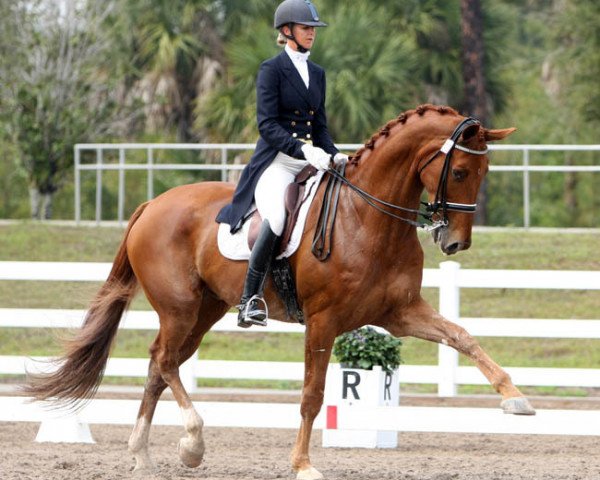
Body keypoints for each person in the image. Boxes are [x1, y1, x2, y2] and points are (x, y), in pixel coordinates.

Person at [216, 0, 347, 328]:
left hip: (310, 161)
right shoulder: (271, 70)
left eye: (313, 29)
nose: (311, 34)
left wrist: (333, 153)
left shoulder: (317, 73)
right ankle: (250, 298)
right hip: (277, 162)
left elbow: (320, 128)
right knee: (275, 218)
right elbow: (267, 125)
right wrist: (304, 151)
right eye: (306, 28)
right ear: (287, 31)